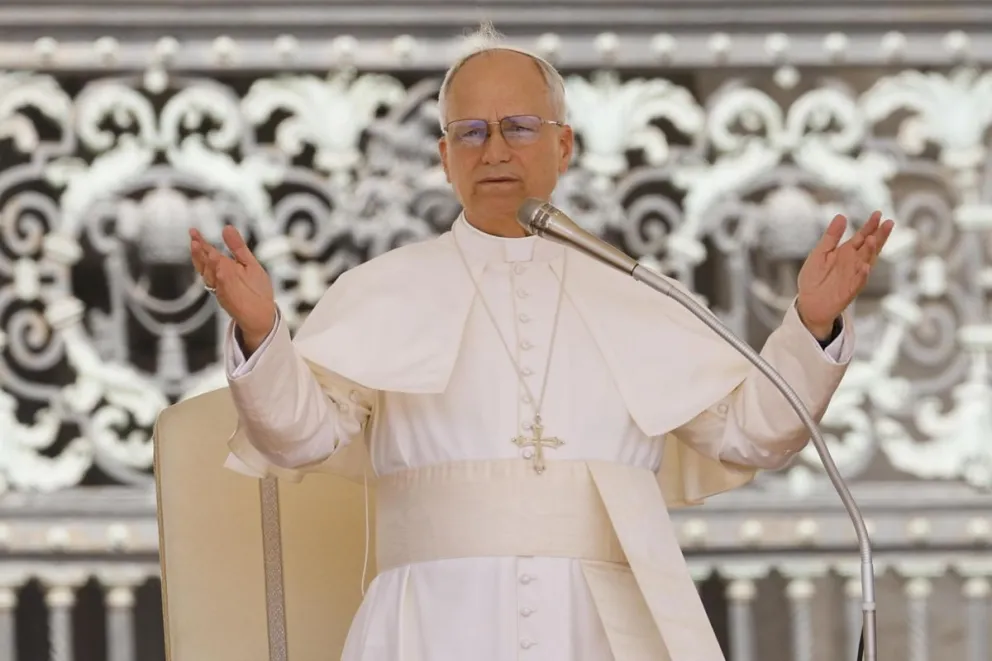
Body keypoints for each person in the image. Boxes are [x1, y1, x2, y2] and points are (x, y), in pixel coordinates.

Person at [189, 24, 893, 661]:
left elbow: (753, 434)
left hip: (606, 631)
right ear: (444, 156)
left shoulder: (636, 293)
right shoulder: (382, 289)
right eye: (471, 132)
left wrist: (812, 323)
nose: (494, 150)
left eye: (520, 127)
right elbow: (299, 438)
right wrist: (261, 331)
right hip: (429, 625)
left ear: (564, 145)